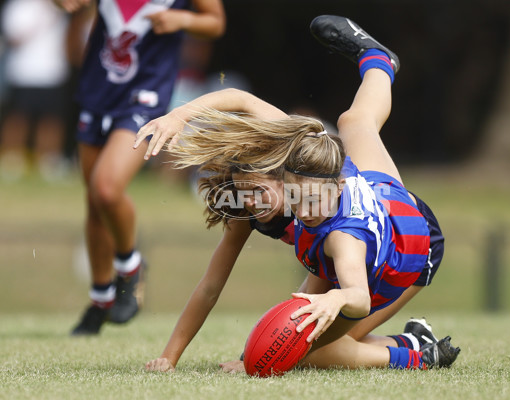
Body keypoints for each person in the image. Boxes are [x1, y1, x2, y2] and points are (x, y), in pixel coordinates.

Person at [137, 15, 459, 372]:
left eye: (259, 191)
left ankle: (419, 356)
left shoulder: (305, 168)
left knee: (314, 352)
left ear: (285, 175)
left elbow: (238, 97)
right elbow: (211, 286)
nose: (251, 202)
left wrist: (179, 116)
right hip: (367, 212)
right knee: (304, 336)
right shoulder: (270, 202)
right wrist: (170, 357)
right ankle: (414, 342)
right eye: (243, 195)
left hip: (408, 241)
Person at [55, 0, 226, 335]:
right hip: (97, 88)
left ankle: (130, 265)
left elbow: (215, 23)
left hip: (145, 94)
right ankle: (101, 298)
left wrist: (180, 18)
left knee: (106, 188)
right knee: (94, 203)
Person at [0, 0, 71, 182]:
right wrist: (42, 19)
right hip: (24, 72)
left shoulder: (61, 6)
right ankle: (12, 160)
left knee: (51, 120)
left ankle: (49, 162)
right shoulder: (19, 7)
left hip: (53, 71)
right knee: (18, 118)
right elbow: (14, 39)